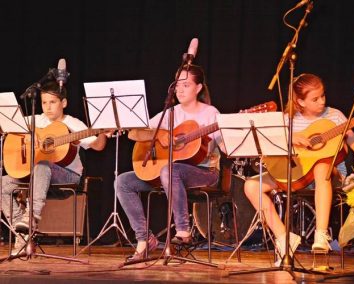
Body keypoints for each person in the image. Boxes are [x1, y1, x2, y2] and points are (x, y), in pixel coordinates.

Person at [243, 73, 354, 266]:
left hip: (332, 176)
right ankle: (284, 239)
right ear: (300, 101)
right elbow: (268, 149)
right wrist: (290, 138)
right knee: (251, 186)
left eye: (323, 95)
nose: (322, 101)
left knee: (322, 166)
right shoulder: (288, 119)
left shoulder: (335, 116)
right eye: (315, 98)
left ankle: (321, 236)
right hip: (297, 174)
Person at [116, 64, 222, 261]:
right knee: (123, 182)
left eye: (186, 85)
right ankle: (144, 239)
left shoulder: (210, 114)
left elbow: (224, 148)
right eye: (177, 85)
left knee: (168, 170)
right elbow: (134, 133)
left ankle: (183, 230)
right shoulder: (170, 113)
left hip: (204, 172)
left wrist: (226, 131)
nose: (180, 90)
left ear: (198, 88)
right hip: (169, 171)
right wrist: (161, 135)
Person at [1, 80, 110, 255]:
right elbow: (8, 126)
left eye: (52, 102)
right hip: (37, 176)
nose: (47, 107)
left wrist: (103, 132)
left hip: (68, 177)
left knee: (42, 164)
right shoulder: (35, 120)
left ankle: (32, 218)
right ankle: (21, 236)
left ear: (64, 103)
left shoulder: (74, 124)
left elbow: (98, 145)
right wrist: (28, 137)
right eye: (44, 102)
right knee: (3, 183)